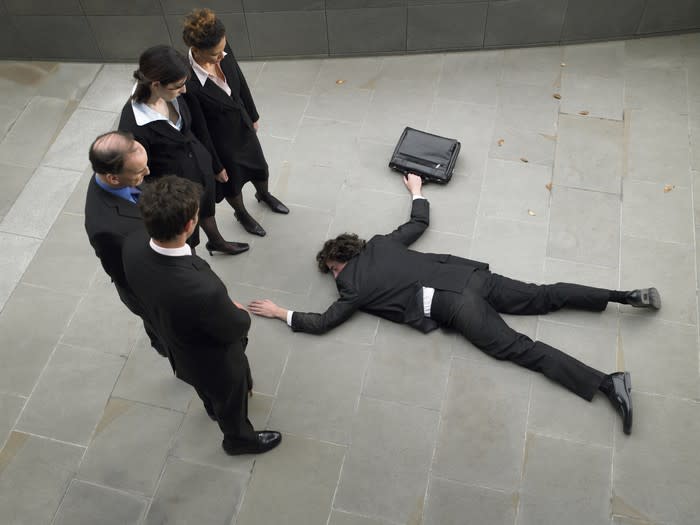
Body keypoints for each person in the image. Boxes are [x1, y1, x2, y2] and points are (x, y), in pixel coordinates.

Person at [249, 174, 662, 436]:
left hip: (454, 304)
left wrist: (279, 312)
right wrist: (417, 190)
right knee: (543, 294)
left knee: (520, 349)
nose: (335, 277)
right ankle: (624, 297)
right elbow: (418, 224)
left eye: (332, 271)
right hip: (470, 276)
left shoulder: (352, 286)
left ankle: (608, 383)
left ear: (337, 263)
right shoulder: (380, 244)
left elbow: (323, 322)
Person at [122, 175, 281, 455]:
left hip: (177, 344)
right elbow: (236, 325)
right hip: (214, 360)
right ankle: (238, 440)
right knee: (231, 399)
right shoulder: (200, 289)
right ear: (189, 225)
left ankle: (211, 406)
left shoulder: (132, 246)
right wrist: (239, 310)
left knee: (206, 389)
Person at [118, 44, 248, 256]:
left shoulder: (175, 94)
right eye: (178, 86)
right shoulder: (133, 126)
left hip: (200, 171)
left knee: (206, 209)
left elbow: (198, 129)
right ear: (156, 84)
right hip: (177, 193)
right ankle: (192, 259)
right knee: (189, 236)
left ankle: (216, 241)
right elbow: (138, 180)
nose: (184, 90)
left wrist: (214, 165)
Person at [182, 8, 288, 237]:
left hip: (242, 125)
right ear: (196, 50)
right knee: (232, 182)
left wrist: (253, 114)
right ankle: (241, 214)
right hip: (221, 142)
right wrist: (216, 166)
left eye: (223, 49)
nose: (222, 56)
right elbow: (200, 129)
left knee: (260, 167)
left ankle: (263, 195)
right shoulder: (188, 82)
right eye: (215, 55)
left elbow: (239, 77)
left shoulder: (221, 48)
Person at [84, 131, 165, 357]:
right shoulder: (105, 230)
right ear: (113, 178)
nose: (148, 173)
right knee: (164, 330)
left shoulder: (120, 174)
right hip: (150, 289)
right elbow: (123, 275)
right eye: (140, 172)